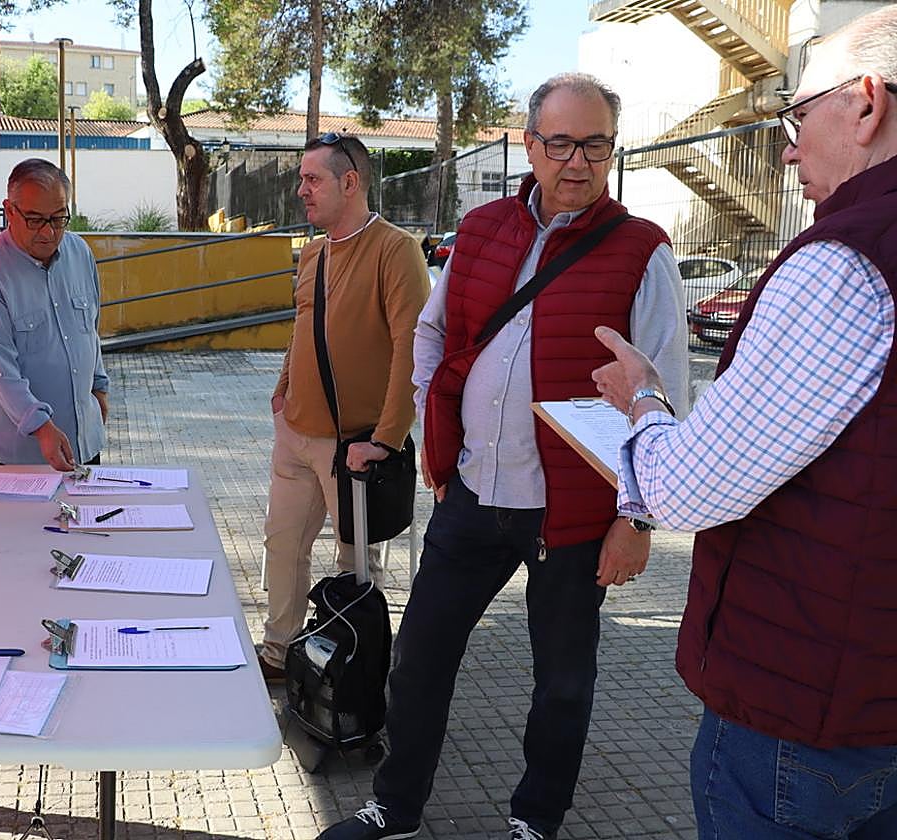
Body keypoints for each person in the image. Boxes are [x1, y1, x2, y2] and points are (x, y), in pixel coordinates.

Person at [319, 74, 689, 840]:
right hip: (472, 498)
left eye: (595, 144)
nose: (578, 161)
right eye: (561, 142)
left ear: (611, 150)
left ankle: (533, 822)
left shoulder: (641, 251)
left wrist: (639, 520)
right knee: (418, 661)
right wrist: (438, 418)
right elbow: (429, 332)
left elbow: (668, 396)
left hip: (575, 514)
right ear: (530, 145)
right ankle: (396, 807)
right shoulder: (482, 229)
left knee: (560, 685)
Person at [591, 8, 897, 837]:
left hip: (806, 721)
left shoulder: (843, 263)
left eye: (798, 115)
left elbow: (686, 492)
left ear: (866, 104)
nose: (789, 147)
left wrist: (644, 401)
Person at [257, 133, 429, 681]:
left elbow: (412, 345)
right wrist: (284, 387)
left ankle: (357, 666)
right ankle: (279, 651)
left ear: (349, 182)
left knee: (356, 565)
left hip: (353, 444)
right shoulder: (312, 252)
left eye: (313, 180)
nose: (300, 190)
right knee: (282, 546)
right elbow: (303, 328)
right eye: (302, 179)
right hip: (295, 434)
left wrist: (386, 436)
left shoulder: (395, 249)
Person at [0, 158, 109, 470]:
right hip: (15, 454)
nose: (48, 232)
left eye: (58, 218)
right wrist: (40, 426)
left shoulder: (80, 253)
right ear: (9, 211)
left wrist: (99, 387)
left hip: (83, 442)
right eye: (35, 219)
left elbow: (90, 331)